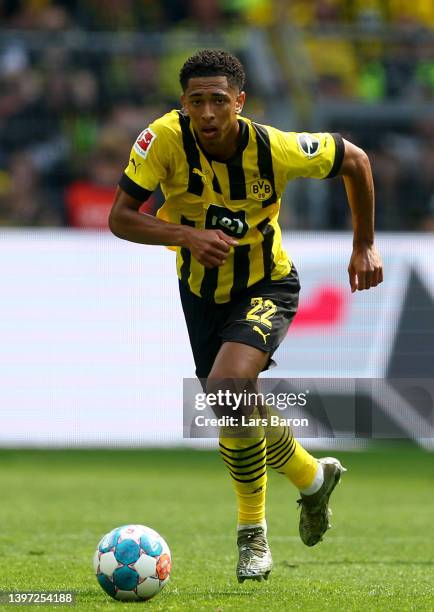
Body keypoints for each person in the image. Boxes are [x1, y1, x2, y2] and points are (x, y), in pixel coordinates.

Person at [109, 49, 383, 583]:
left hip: (267, 284)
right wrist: (185, 235)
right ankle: (311, 477)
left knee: (229, 383)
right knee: (233, 406)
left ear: (240, 101)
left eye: (218, 101)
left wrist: (364, 246)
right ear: (182, 104)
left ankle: (251, 534)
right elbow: (120, 217)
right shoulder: (162, 140)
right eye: (196, 102)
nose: (207, 114)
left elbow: (357, 160)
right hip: (200, 292)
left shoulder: (275, 147)